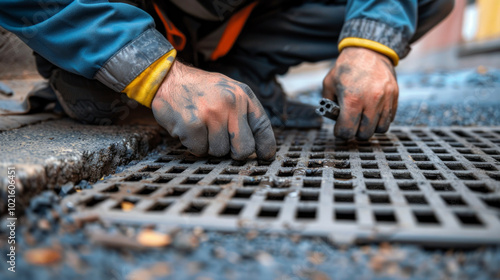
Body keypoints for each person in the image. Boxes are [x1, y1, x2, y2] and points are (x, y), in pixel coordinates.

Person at [0, 0, 453, 161]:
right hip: (142, 14)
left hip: (238, 21)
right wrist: (158, 76)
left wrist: (370, 42)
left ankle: (239, 78)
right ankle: (160, 78)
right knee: (100, 101)